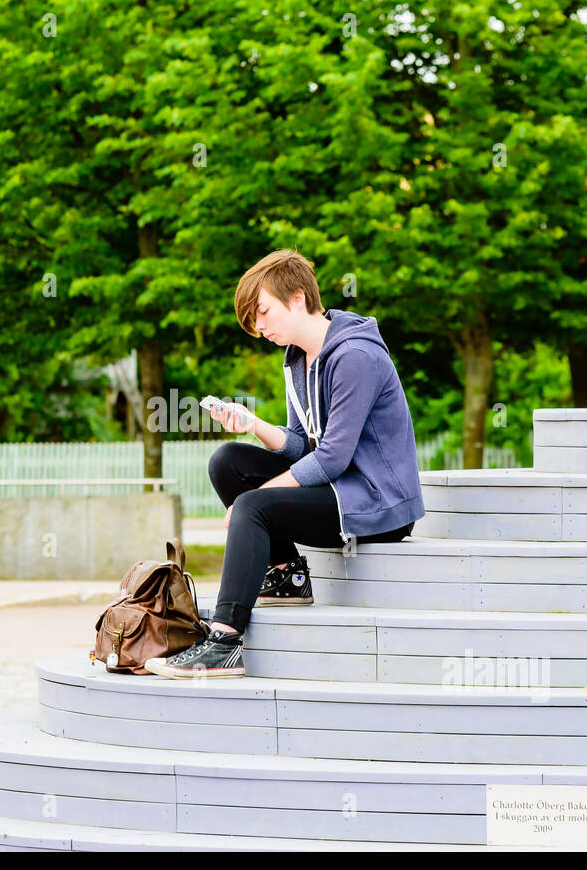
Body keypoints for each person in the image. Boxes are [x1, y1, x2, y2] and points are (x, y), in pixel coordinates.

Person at [145, 248, 425, 679]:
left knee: (255, 505)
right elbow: (301, 445)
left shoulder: (355, 356)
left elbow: (332, 457)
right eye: (254, 320)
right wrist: (253, 423)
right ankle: (288, 575)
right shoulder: (297, 359)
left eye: (263, 312)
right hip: (337, 488)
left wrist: (256, 499)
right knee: (228, 462)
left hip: (376, 501)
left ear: (297, 298)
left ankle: (224, 641)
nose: (259, 328)